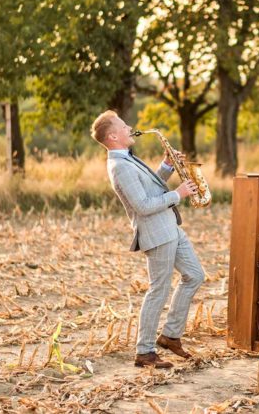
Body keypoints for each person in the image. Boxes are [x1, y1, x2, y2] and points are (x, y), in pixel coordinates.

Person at [90, 110, 205, 369]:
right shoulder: (119, 166)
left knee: (195, 275)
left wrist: (165, 166)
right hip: (156, 233)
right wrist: (178, 193)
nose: (129, 127)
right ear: (113, 135)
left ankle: (170, 336)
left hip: (170, 227)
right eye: (123, 125)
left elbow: (151, 187)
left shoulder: (127, 158)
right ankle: (144, 352)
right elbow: (142, 205)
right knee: (158, 290)